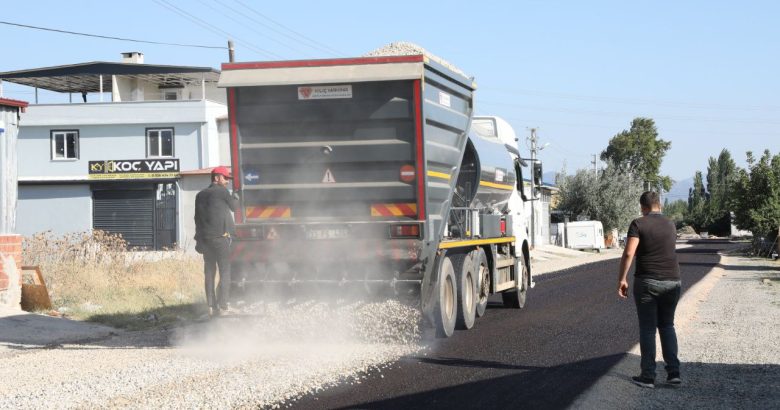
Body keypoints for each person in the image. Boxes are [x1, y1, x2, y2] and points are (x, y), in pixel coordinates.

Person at [617, 191, 682, 388]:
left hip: (648, 282)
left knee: (647, 328)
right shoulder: (671, 224)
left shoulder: (638, 223)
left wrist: (622, 279)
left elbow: (629, 253)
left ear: (642, 207)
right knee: (667, 325)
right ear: (659, 205)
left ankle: (648, 376)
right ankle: (673, 373)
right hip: (673, 281)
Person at [194, 166, 238, 317]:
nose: (227, 182)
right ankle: (223, 307)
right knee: (225, 272)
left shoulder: (200, 195)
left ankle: (211, 307)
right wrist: (236, 197)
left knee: (209, 273)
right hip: (220, 240)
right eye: (225, 178)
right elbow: (234, 208)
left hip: (205, 241)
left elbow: (196, 219)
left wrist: (198, 240)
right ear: (217, 178)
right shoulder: (222, 191)